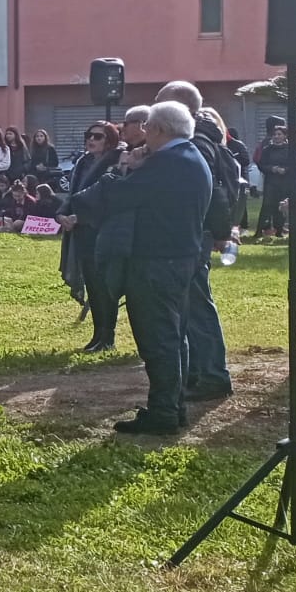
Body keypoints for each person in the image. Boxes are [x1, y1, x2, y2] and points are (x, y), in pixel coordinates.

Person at [61, 102, 209, 435]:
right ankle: (172, 406)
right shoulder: (188, 156)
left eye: (147, 130)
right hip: (180, 257)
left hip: (157, 261)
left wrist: (124, 168)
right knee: (172, 337)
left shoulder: (168, 163)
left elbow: (117, 195)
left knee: (158, 338)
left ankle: (164, 413)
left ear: (157, 129)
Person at [151, 81, 233, 401]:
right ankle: (200, 372)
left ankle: (213, 375)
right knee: (191, 305)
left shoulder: (195, 142)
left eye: (161, 103)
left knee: (196, 305)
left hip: (192, 233)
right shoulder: (205, 137)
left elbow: (212, 193)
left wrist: (219, 231)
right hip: (196, 232)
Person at [66, 122, 125, 351]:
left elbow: (107, 199)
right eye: (88, 135)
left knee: (104, 286)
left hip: (101, 230)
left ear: (109, 140)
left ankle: (107, 337)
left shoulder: (114, 162)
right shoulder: (82, 163)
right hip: (82, 231)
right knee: (92, 284)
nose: (91, 139)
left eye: (97, 136)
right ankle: (97, 334)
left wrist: (79, 216)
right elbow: (74, 194)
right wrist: (64, 213)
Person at [255, 125, 296, 239]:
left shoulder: (290, 149)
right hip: (271, 181)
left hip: (284, 181)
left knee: (281, 206)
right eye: (275, 134)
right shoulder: (267, 150)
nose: (276, 136)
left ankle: (279, 230)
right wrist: (272, 168)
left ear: (285, 136)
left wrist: (285, 170)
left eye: (279, 134)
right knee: (267, 206)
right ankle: (260, 230)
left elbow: (294, 164)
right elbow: (261, 164)